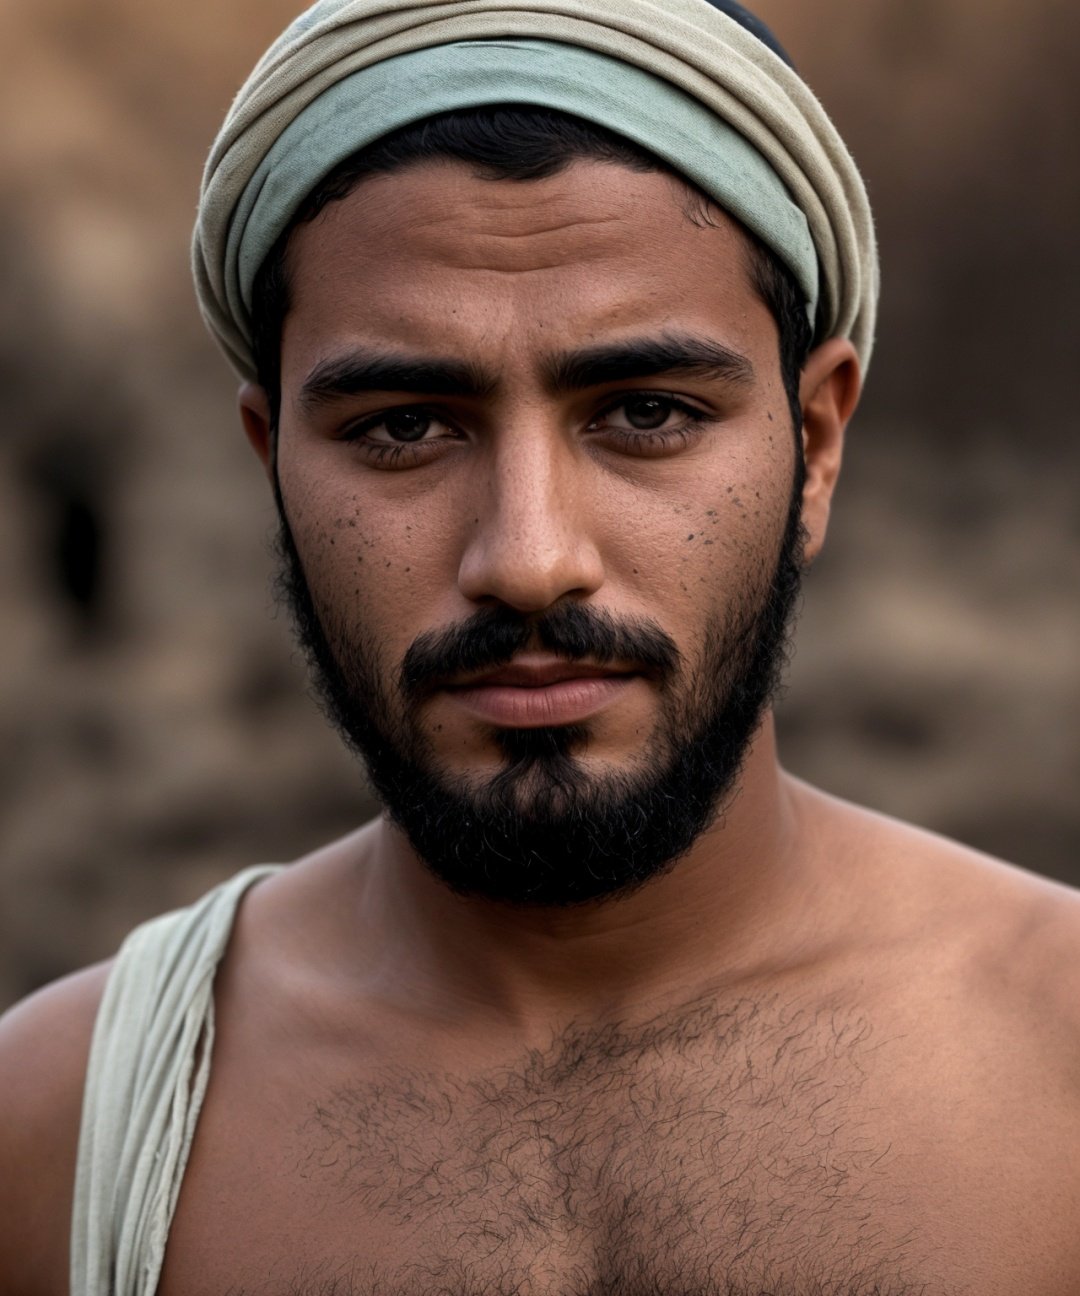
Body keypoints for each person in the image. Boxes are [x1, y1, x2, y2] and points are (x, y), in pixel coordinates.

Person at [2, 0, 1078, 1291]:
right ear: (269, 460)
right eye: (405, 427)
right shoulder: (64, 1146)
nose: (526, 554)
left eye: (644, 412)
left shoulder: (1058, 1069)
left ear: (817, 447)